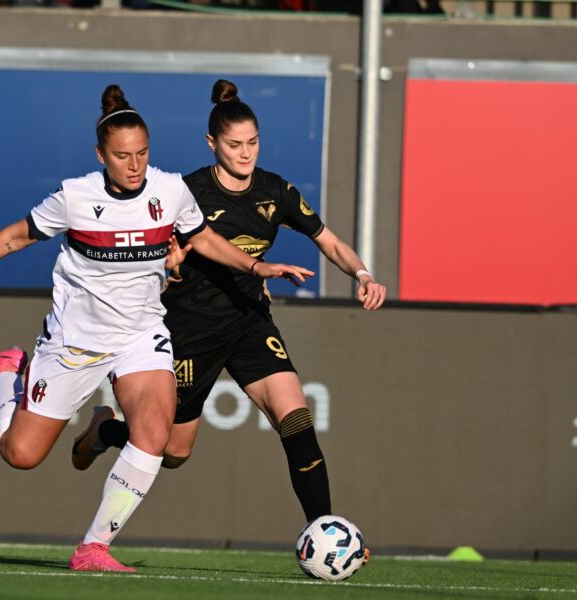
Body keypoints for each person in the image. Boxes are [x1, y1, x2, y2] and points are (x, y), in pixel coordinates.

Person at [0, 84, 314, 572]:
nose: (134, 165)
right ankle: (6, 371)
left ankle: (94, 547)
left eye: (142, 153)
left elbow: (203, 237)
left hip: (141, 335)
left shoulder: (170, 192)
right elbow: (17, 237)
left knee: (155, 430)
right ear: (100, 154)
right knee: (20, 455)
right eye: (122, 156)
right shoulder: (75, 198)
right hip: (74, 344)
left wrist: (255, 269)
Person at [71, 79, 386, 531]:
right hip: (190, 329)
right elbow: (156, 255)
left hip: (248, 321)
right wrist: (171, 265)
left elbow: (329, 241)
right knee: (173, 451)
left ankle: (326, 532)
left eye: (252, 142)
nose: (246, 153)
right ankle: (106, 430)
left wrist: (362, 273)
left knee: (295, 417)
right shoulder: (187, 191)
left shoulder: (275, 191)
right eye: (235, 144)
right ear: (212, 143)